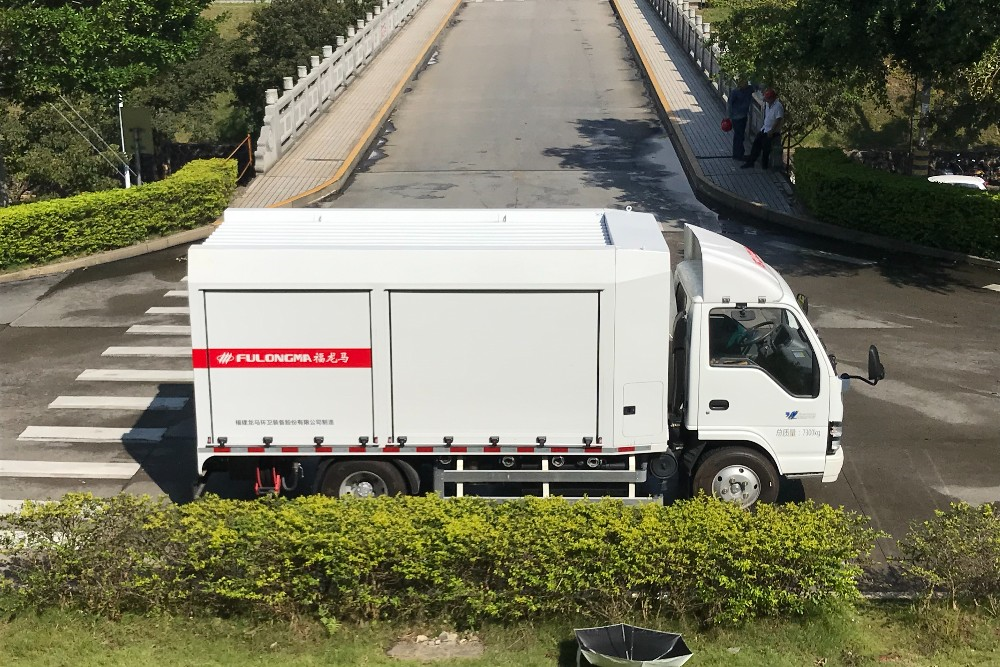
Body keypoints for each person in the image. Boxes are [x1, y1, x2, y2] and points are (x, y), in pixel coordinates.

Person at [741, 88, 784, 169]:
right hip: (765, 128)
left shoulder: (778, 106)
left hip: (773, 131)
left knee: (766, 147)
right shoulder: (767, 104)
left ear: (772, 98)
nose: (767, 100)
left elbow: (778, 119)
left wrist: (772, 131)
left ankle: (765, 165)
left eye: (768, 99)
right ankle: (751, 161)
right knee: (756, 143)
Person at [725, 81, 754, 160]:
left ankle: (738, 153)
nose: (745, 84)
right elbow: (729, 104)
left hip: (743, 116)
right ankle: (738, 154)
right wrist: (728, 117)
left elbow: (756, 86)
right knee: (739, 136)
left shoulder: (749, 89)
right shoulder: (735, 92)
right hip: (736, 117)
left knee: (740, 136)